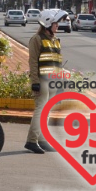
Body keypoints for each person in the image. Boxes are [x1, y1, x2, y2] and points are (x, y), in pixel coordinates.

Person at [25, 9, 67, 154]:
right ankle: (32, 140)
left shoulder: (55, 40)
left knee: (46, 111)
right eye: (56, 23)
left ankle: (42, 140)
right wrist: (35, 81)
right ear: (48, 23)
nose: (58, 26)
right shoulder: (36, 39)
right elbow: (33, 62)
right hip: (41, 80)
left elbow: (58, 63)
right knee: (41, 110)